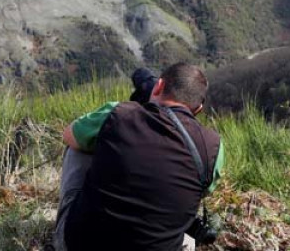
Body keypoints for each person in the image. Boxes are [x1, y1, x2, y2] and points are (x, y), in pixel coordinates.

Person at [53, 62, 225, 251]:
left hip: (78, 245)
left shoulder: (117, 113)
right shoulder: (213, 148)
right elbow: (202, 191)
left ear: (159, 86)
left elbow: (69, 135)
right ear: (198, 109)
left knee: (78, 147)